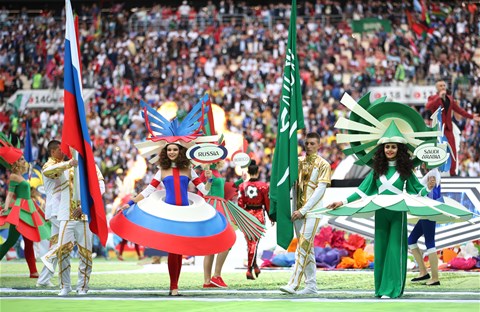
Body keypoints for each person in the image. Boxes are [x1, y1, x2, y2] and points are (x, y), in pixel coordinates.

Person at [111, 98, 236, 296]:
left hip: (185, 213)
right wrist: (128, 203)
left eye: (174, 149)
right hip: (169, 213)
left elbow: (203, 191)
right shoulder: (161, 171)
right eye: (168, 149)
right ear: (165, 151)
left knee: (179, 251)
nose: (171, 152)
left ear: (180, 151)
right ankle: (174, 287)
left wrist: (210, 180)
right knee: (172, 251)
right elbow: (148, 191)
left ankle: (176, 286)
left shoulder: (189, 170)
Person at [41, 152, 105, 296]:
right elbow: (46, 171)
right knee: (63, 251)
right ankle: (65, 286)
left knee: (86, 254)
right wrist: (68, 164)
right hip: (65, 216)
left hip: (84, 216)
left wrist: (86, 205)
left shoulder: (91, 167)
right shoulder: (63, 166)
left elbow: (101, 187)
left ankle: (83, 286)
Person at [279, 132, 332, 295]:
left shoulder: (324, 164)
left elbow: (320, 190)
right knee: (307, 249)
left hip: (313, 212)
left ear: (319, 145)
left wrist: (303, 210)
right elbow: (291, 186)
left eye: (312, 143)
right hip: (297, 211)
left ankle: (293, 284)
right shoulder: (297, 162)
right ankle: (311, 286)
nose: (309, 146)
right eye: (307, 143)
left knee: (302, 246)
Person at [200, 160, 265, 288]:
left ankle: (208, 281)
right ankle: (216, 276)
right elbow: (204, 190)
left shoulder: (215, 171)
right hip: (214, 207)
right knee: (226, 241)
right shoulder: (207, 172)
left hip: (216, 206)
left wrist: (240, 181)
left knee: (212, 245)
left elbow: (225, 189)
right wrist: (208, 180)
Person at [0, 133, 50, 278]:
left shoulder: (21, 177)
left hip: (28, 209)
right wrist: (6, 207)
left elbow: (28, 193)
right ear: (15, 163)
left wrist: (38, 198)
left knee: (29, 241)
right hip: (20, 211)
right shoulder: (14, 177)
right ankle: (33, 271)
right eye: (21, 159)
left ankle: (33, 271)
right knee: (11, 241)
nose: (24, 161)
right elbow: (10, 194)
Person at [36, 140, 75, 287]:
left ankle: (43, 280)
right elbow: (48, 171)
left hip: (61, 210)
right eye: (59, 150)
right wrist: (69, 163)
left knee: (58, 245)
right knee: (69, 239)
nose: (63, 152)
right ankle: (48, 259)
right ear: (52, 151)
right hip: (56, 210)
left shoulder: (61, 165)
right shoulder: (48, 165)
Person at [426, 80, 480, 176]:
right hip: (437, 129)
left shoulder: (450, 99)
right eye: (440, 86)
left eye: (444, 85)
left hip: (448, 128)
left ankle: (453, 173)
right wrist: (439, 97)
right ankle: (434, 172)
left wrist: (472, 116)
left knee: (453, 150)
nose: (443, 87)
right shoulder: (433, 98)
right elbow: (428, 106)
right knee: (436, 150)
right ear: (437, 88)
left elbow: (459, 111)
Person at [238, 160, 273, 280]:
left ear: (248, 172)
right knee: (254, 243)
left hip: (246, 215)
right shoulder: (264, 186)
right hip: (258, 215)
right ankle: (249, 269)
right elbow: (267, 203)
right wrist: (271, 216)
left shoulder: (242, 186)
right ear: (257, 172)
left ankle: (255, 266)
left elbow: (240, 203)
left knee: (250, 243)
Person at [408, 168, 441, 286]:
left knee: (430, 243)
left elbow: (433, 194)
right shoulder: (429, 173)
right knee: (411, 240)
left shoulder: (433, 172)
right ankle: (423, 272)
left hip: (429, 212)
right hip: (425, 212)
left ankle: (435, 278)